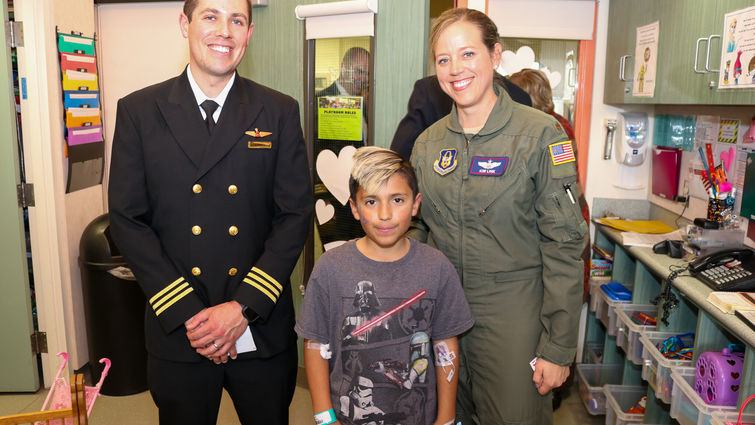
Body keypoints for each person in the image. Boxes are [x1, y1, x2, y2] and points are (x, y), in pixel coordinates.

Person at [107, 0, 312, 423]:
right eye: (210, 16)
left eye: (237, 20)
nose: (224, 30)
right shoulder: (140, 111)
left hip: (258, 322)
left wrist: (242, 308)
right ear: (185, 24)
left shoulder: (279, 110)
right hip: (181, 327)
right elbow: (127, 218)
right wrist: (190, 314)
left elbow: (294, 215)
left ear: (249, 34)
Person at [409, 8, 587, 425]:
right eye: (444, 59)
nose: (456, 69)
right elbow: (416, 233)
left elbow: (564, 245)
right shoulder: (427, 144)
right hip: (443, 320)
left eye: (468, 54)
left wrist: (558, 347)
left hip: (514, 323)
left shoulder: (541, 135)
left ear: (495, 56)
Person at [296, 147, 474, 425]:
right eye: (371, 202)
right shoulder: (330, 268)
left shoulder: (437, 268)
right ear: (354, 208)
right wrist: (324, 417)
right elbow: (316, 344)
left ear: (415, 204)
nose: (385, 214)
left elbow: (445, 346)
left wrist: (447, 418)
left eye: (397, 200)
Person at [508, 67, 592, 410]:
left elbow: (558, 194)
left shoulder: (551, 131)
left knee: (555, 309)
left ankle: (553, 388)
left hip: (558, 231)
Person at [390, 72, 532, 161]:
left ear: (495, 53)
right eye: (444, 59)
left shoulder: (521, 99)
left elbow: (399, 157)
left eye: (468, 53)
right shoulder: (430, 90)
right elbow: (400, 157)